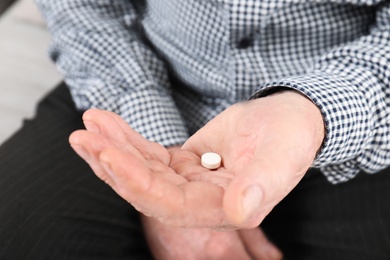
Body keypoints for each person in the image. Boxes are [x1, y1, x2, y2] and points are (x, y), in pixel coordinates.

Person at [0, 0, 389, 259]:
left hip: (355, 114)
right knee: (18, 233)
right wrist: (156, 140)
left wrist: (310, 112)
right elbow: (83, 9)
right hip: (137, 82)